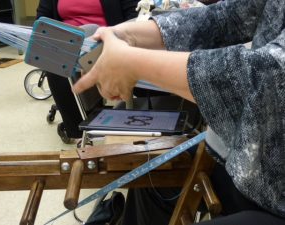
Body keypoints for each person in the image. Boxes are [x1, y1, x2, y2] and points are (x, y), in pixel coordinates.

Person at [72, 0, 285, 224]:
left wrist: (132, 63)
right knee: (154, 177)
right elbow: (227, 18)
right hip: (253, 163)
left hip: (275, 194)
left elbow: (267, 77)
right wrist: (127, 35)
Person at [36, 0, 139, 141]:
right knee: (54, 62)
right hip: (70, 44)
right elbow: (42, 21)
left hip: (109, 42)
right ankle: (77, 129)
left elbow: (133, 15)